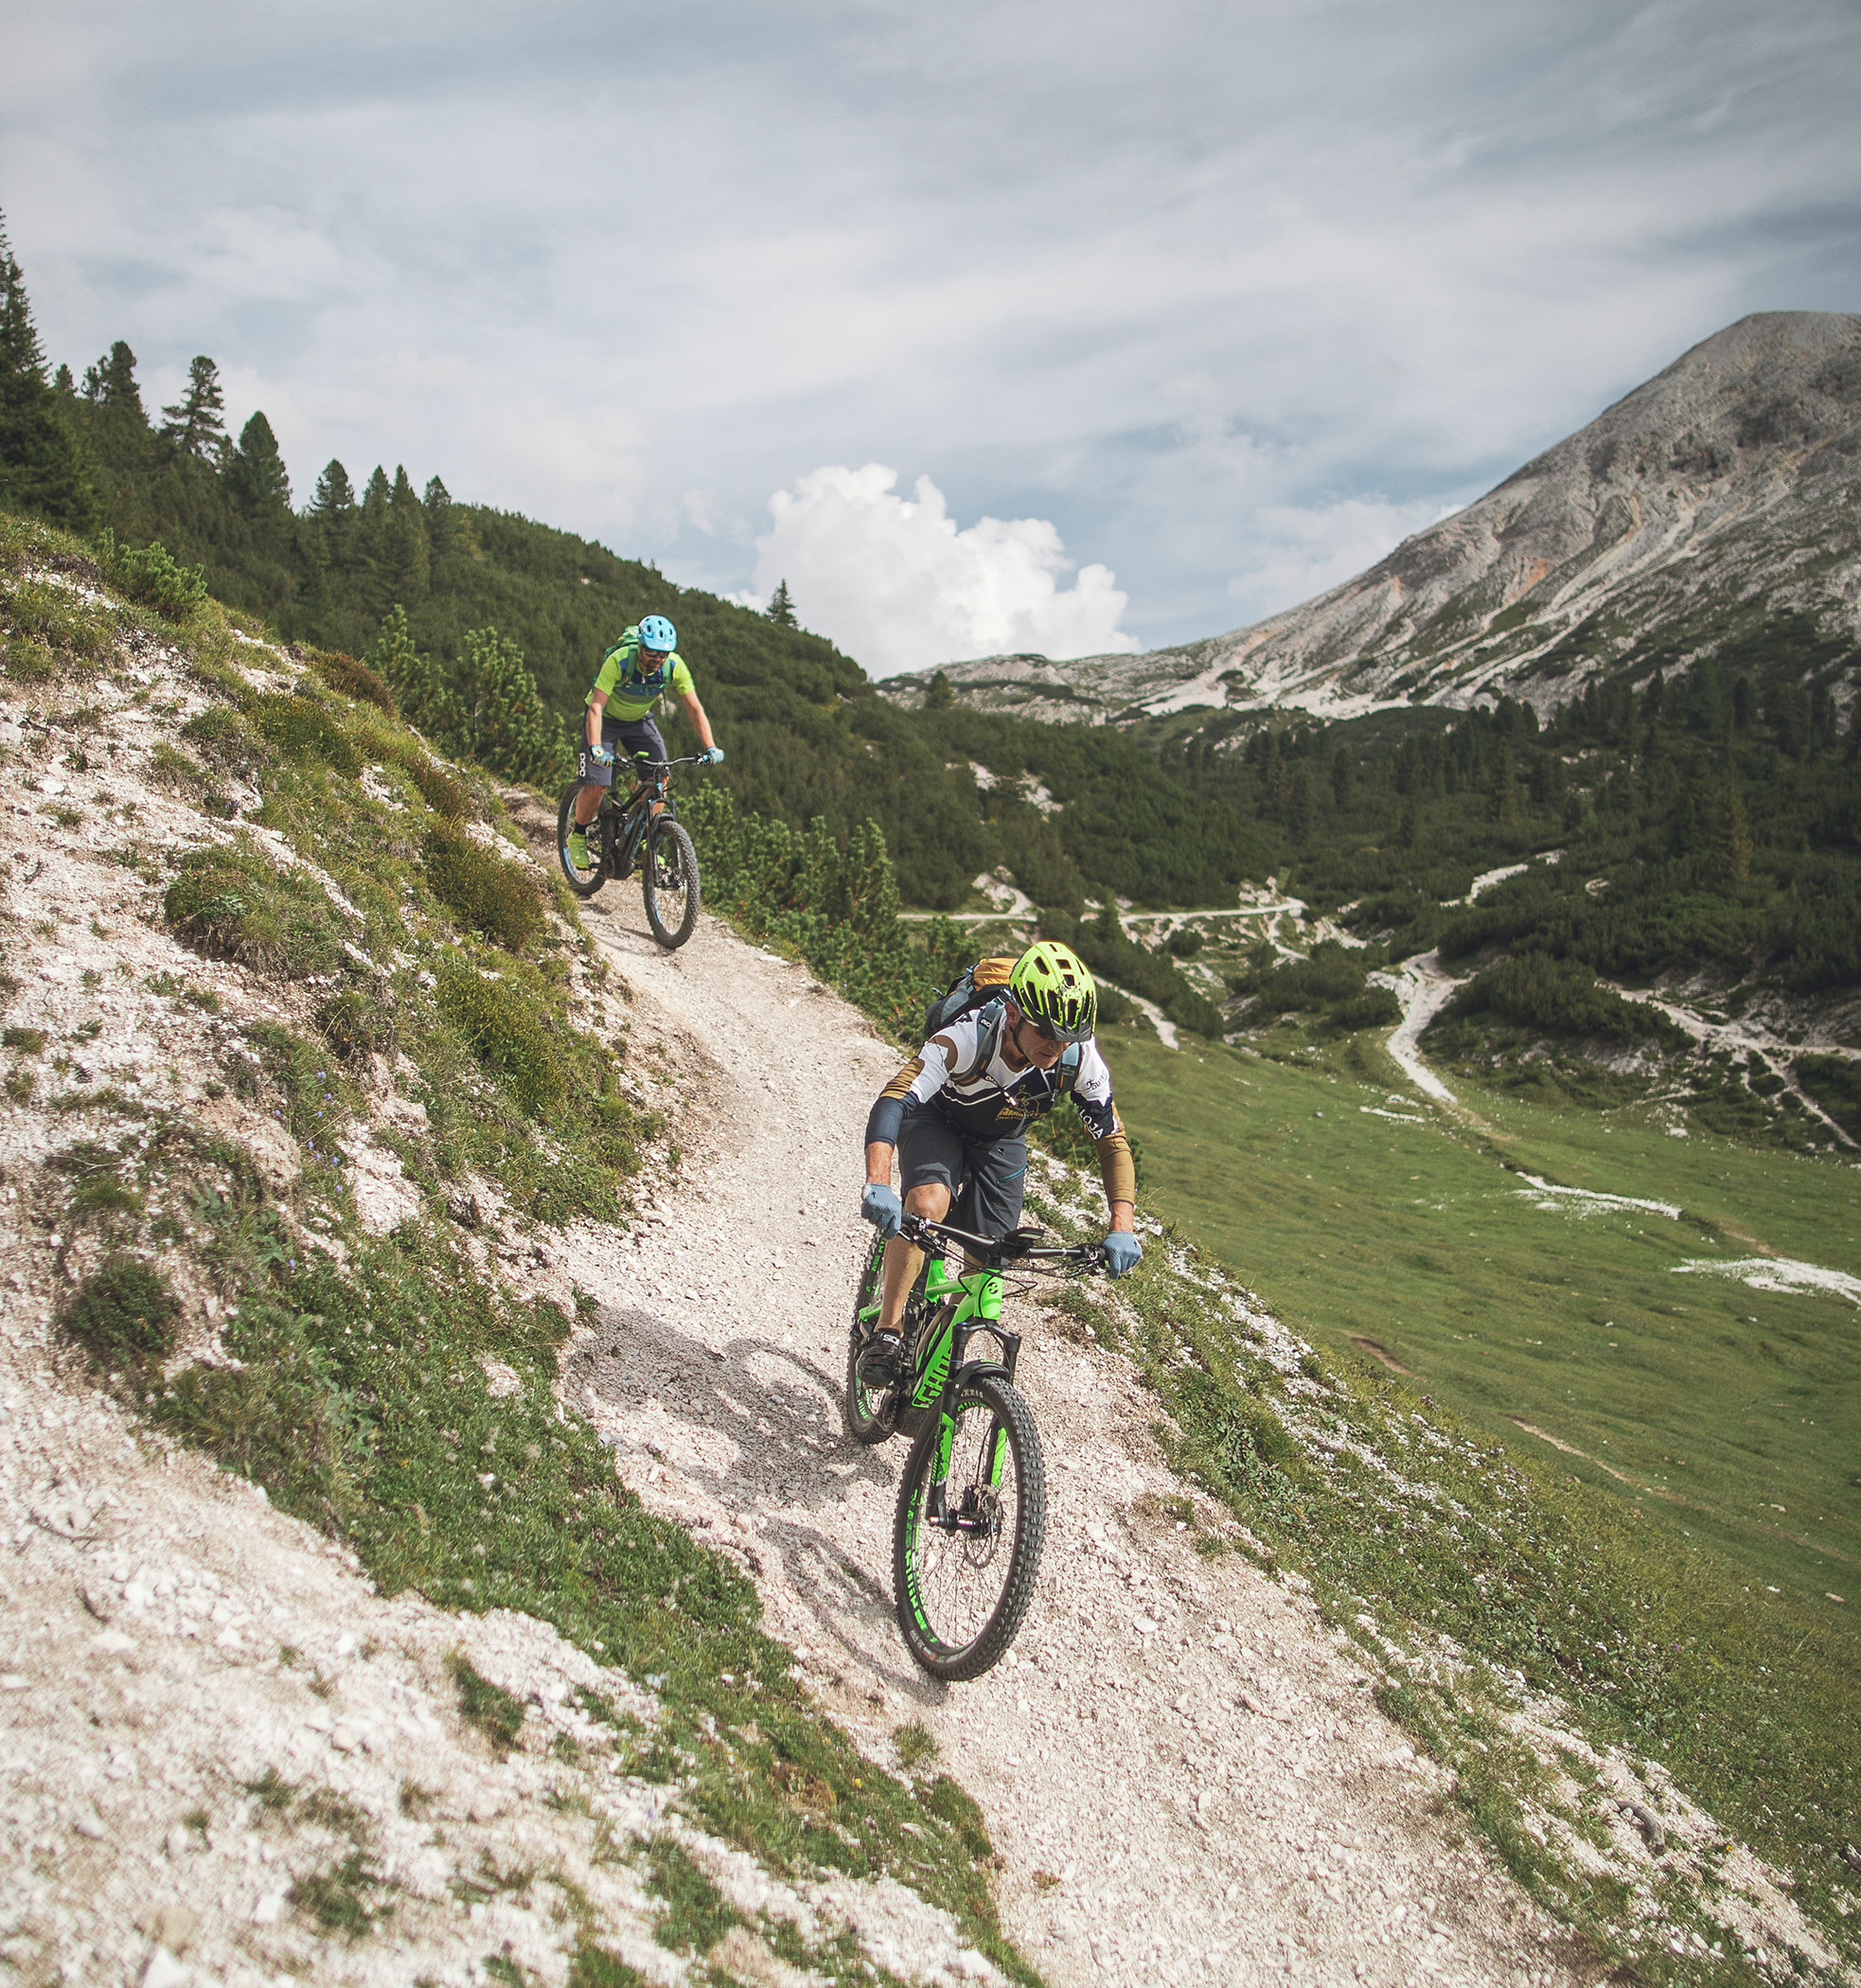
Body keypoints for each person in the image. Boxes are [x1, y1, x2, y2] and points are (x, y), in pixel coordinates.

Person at [858, 939, 1142, 1385]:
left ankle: (937, 1352)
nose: (1056, 1046)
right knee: (928, 1206)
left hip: (1002, 1137)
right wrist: (877, 1180)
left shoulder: (1077, 1056)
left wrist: (1121, 1227)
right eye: (1045, 1032)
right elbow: (895, 1099)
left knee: (989, 1255)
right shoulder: (969, 1034)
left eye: (1067, 1036)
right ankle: (889, 1329)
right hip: (939, 1117)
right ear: (1013, 1014)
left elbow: (1112, 1140)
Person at [567, 613, 722, 870]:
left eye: (663, 654)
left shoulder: (674, 666)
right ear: (640, 646)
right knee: (598, 784)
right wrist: (596, 747)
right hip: (604, 720)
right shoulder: (619, 662)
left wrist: (710, 746)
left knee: (660, 778)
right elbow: (595, 707)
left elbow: (694, 708)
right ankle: (578, 834)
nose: (657, 660)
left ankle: (643, 838)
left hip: (638, 720)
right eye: (651, 652)